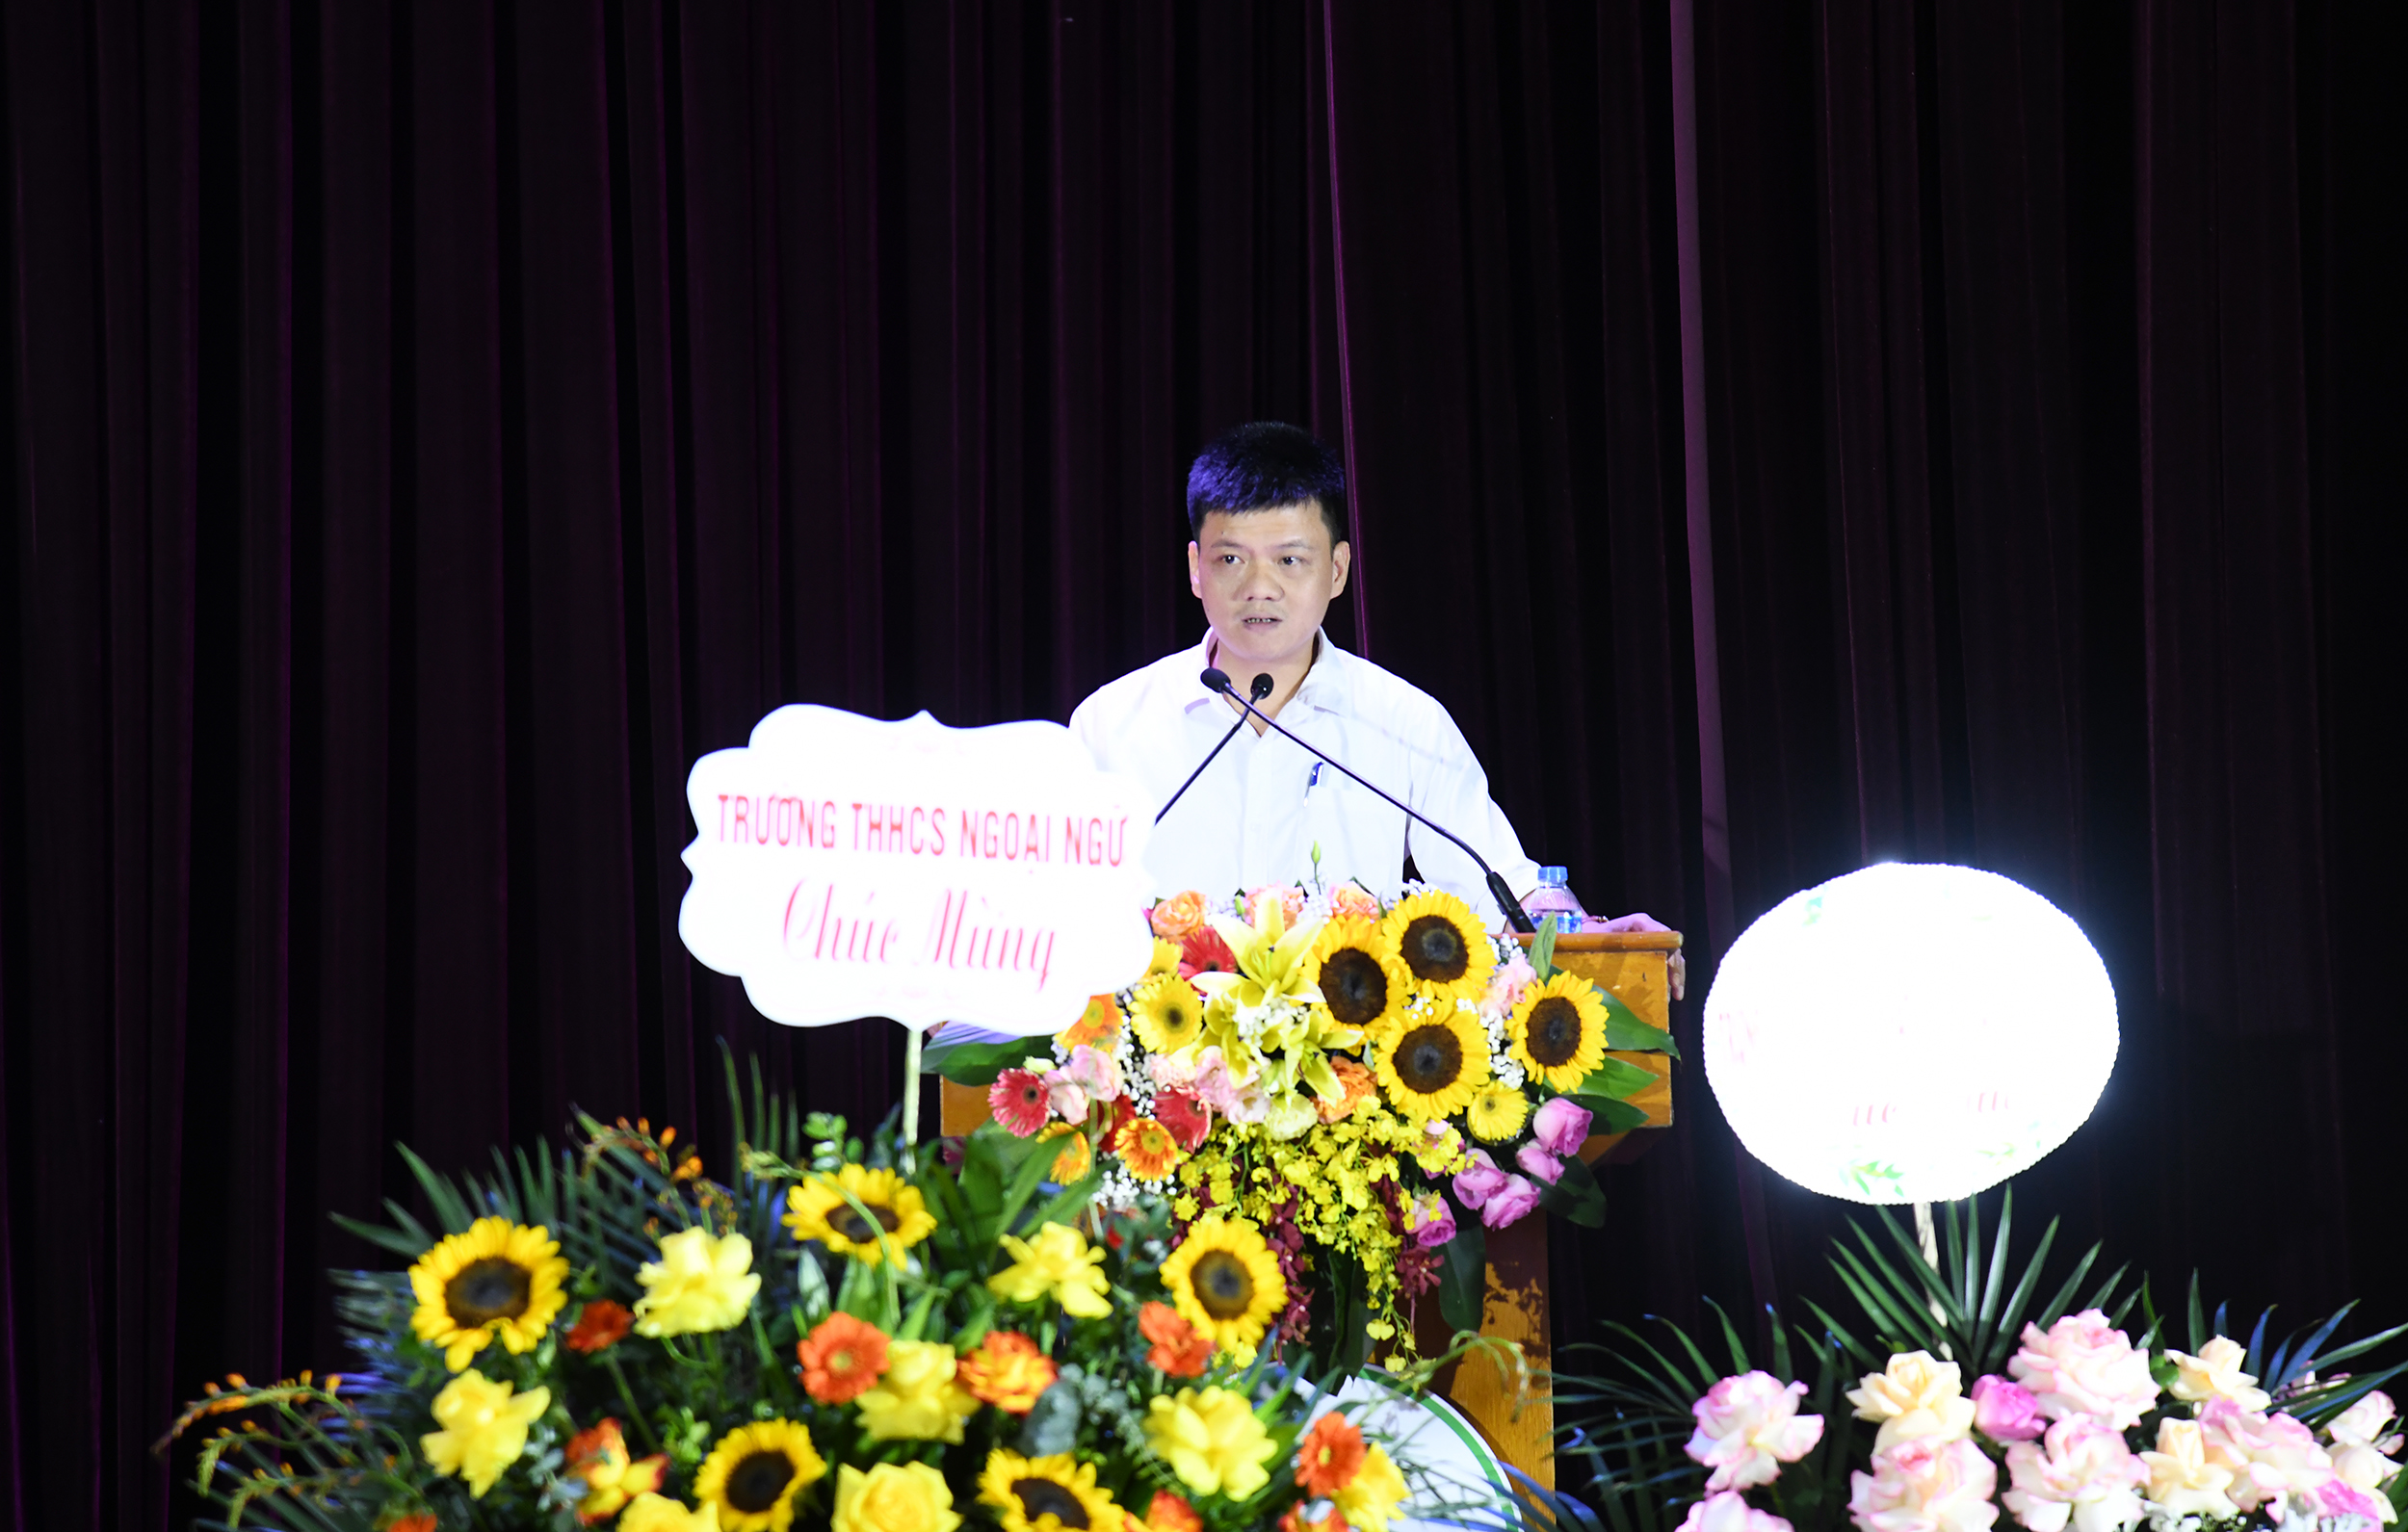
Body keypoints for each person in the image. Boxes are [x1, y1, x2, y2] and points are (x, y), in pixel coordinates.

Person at [1071, 421, 1666, 943]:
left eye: (1290, 560)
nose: (1260, 588)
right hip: (1161, 1032)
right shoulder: (1111, 724)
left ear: (1337, 570)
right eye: (1231, 559)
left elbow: (1503, 889)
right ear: (1195, 569)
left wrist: (1595, 939)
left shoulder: (1402, 722)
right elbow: (1061, 902)